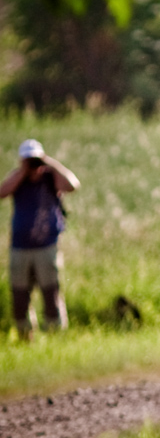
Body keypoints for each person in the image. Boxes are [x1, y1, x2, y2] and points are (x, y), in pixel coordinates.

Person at [0, 139, 79, 339]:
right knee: (19, 293)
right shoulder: (18, 178)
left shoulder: (51, 178)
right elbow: (2, 192)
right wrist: (23, 172)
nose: (34, 165)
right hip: (20, 247)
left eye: (36, 160)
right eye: (30, 160)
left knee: (50, 291)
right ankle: (25, 335)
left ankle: (55, 334)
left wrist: (50, 163)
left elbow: (73, 185)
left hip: (47, 246)